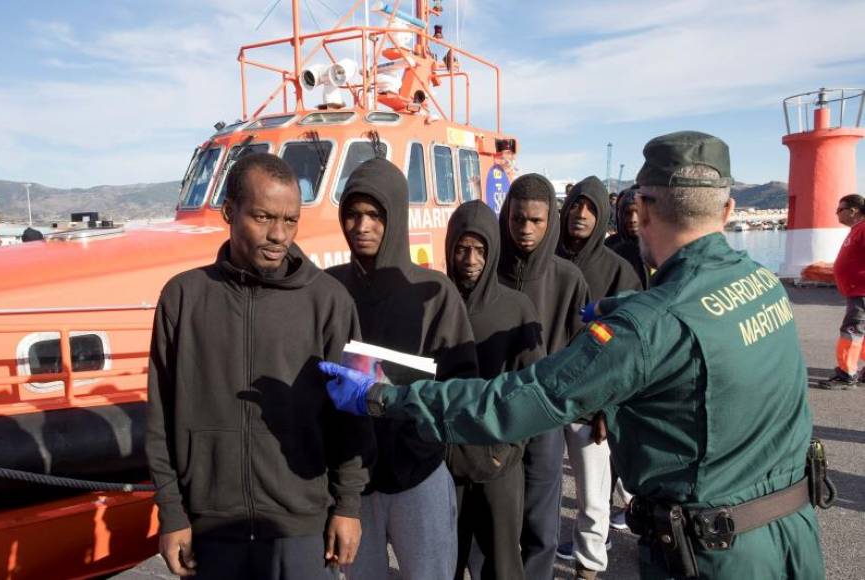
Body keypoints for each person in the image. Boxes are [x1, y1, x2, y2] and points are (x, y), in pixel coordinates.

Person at [322, 131, 826, 579]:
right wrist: (629, 306)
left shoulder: (649, 326)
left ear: (643, 210)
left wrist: (383, 398)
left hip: (719, 555)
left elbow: (518, 401)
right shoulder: (761, 283)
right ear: (728, 209)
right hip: (794, 536)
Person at [145, 153, 373, 580]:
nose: (278, 235)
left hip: (303, 529)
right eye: (264, 217)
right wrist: (171, 512)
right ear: (230, 212)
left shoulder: (330, 301)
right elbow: (160, 417)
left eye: (290, 220)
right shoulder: (181, 299)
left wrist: (348, 505)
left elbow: (352, 414)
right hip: (210, 529)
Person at [327, 158, 478, 580]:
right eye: (353, 214)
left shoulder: (436, 294)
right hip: (352, 483)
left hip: (419, 471)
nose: (362, 225)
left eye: (375, 214)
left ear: (395, 215)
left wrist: (422, 437)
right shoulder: (328, 289)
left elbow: (463, 382)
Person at [443, 200, 545, 580]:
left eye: (481, 250)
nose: (470, 259)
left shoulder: (518, 308)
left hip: (501, 465)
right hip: (446, 465)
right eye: (462, 248)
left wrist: (508, 451)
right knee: (443, 562)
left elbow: (533, 391)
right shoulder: (436, 302)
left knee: (503, 565)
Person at [496, 173, 590, 579]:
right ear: (507, 216)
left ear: (550, 220)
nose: (526, 230)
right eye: (518, 219)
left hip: (546, 420)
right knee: (497, 520)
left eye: (536, 221)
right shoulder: (488, 271)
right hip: (494, 416)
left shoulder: (569, 279)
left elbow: (586, 349)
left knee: (541, 524)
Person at [555, 176, 642, 579]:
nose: (581, 214)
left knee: (593, 496)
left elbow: (628, 349)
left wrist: (611, 404)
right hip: (544, 397)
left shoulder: (619, 269)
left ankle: (589, 566)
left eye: (590, 208)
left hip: (592, 405)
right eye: (575, 205)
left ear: (602, 214)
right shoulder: (545, 259)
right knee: (541, 490)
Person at [818, 193, 865, 389]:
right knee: (860, 333)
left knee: (851, 332)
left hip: (861, 292)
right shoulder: (857, 229)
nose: (836, 214)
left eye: (840, 210)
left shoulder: (862, 229)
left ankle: (846, 374)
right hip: (857, 292)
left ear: (853, 211)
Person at [606, 187, 652, 288]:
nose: (633, 219)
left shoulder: (658, 250)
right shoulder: (609, 248)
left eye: (638, 212)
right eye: (628, 213)